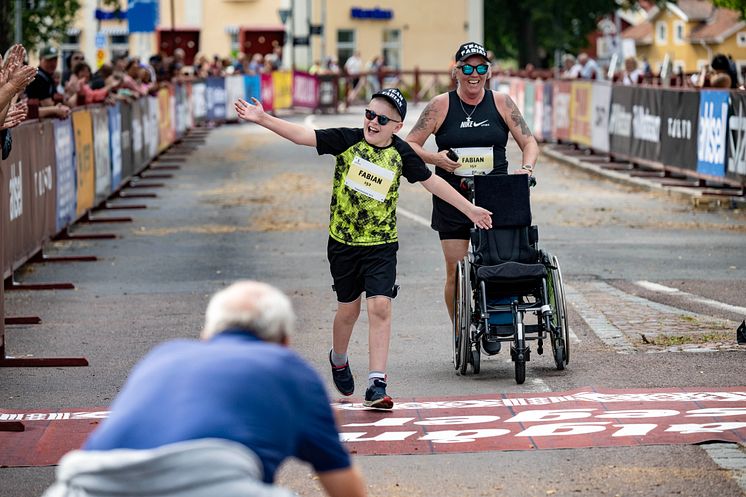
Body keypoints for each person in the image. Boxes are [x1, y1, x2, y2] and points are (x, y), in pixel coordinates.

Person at [234, 88, 492, 409]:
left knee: (380, 307)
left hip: (382, 245)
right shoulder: (347, 140)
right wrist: (263, 118)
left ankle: (376, 383)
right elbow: (302, 135)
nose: (372, 122)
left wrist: (470, 210)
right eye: (369, 114)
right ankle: (339, 358)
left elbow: (433, 183)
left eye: (382, 119)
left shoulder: (401, 153)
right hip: (343, 244)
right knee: (348, 310)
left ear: (397, 126)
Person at [42, 280, 366, 497]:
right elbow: (345, 489)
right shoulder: (290, 369)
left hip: (85, 481)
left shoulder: (164, 354)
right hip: (211, 481)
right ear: (284, 341)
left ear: (207, 334)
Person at [404, 41, 538, 350]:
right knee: (455, 268)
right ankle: (462, 329)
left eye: (480, 68)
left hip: (496, 194)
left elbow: (529, 142)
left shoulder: (502, 103)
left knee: (501, 261)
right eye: (467, 67)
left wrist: (526, 168)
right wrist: (436, 159)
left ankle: (496, 321)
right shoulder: (440, 105)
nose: (473, 74)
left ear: (488, 72)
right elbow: (410, 144)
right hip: (453, 196)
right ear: (456, 72)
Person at [23, 45, 70, 119]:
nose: (53, 63)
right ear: (40, 59)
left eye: (55, 60)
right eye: (49, 60)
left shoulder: (48, 77)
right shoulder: (38, 78)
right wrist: (58, 109)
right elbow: (47, 104)